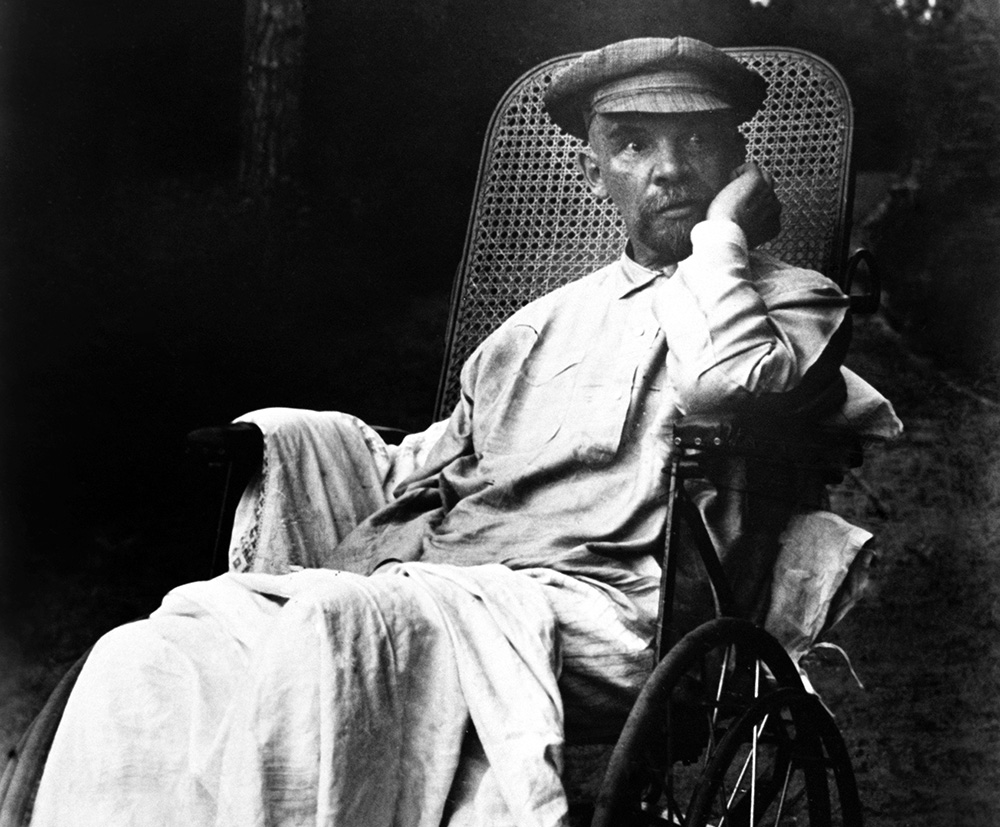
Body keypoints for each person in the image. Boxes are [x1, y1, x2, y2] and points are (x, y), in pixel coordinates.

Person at [29, 37, 900, 827]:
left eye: (698, 141)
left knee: (331, 624)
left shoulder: (796, 303)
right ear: (596, 171)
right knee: (152, 650)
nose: (669, 169)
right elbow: (433, 461)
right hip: (460, 583)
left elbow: (722, 381)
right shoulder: (537, 327)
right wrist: (289, 442)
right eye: (634, 144)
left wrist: (721, 239)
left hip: (617, 608)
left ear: (738, 159)